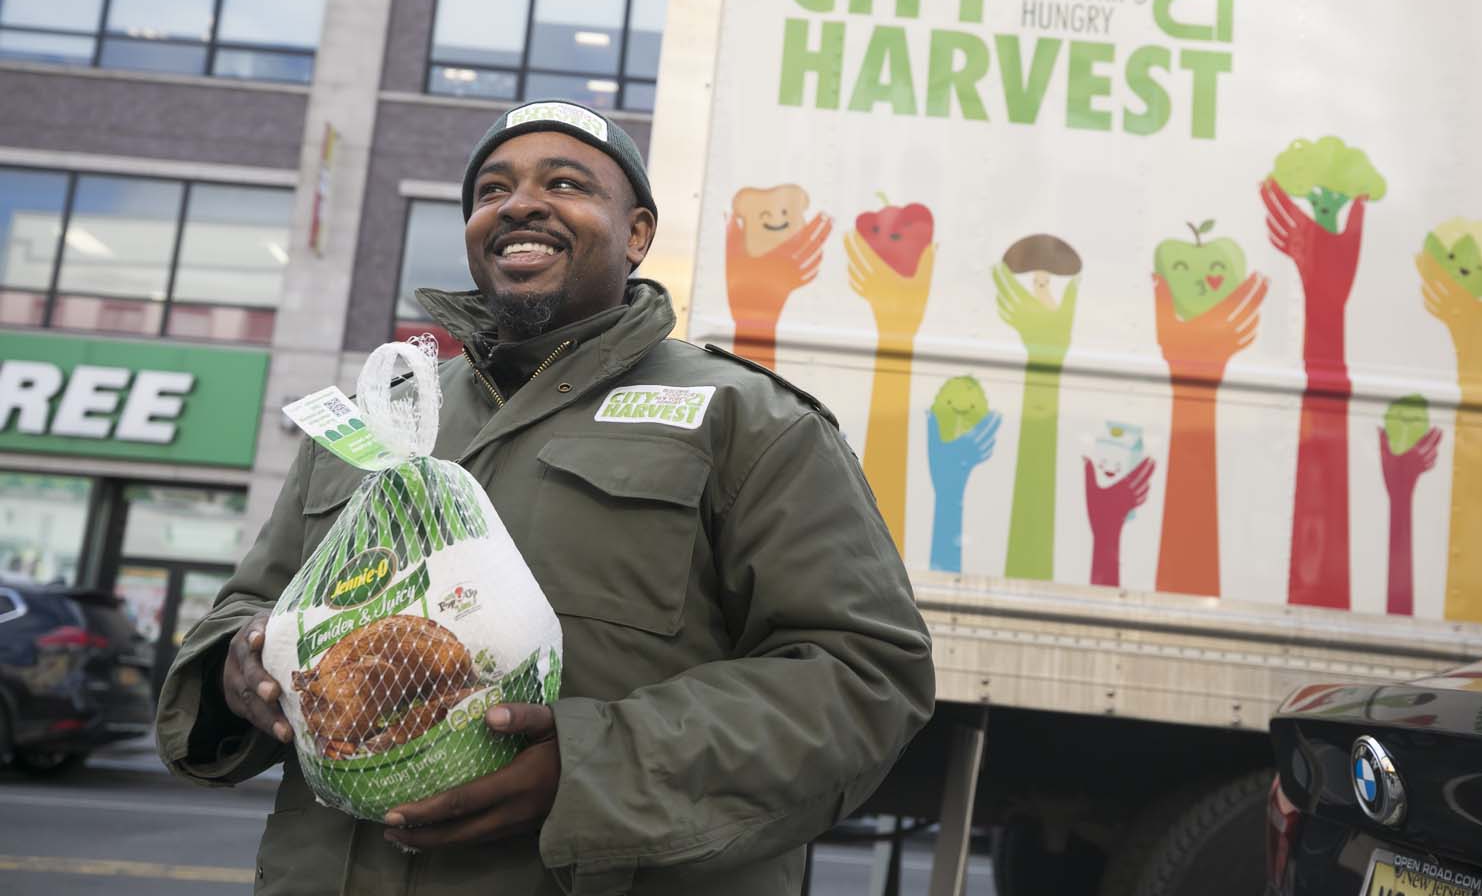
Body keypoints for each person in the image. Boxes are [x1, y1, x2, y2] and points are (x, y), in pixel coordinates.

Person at [155, 99, 935, 895]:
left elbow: (862, 674)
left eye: (565, 184)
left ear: (637, 233)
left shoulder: (747, 419)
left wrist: (589, 768)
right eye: (492, 190)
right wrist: (234, 666)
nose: (519, 204)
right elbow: (248, 606)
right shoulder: (378, 420)